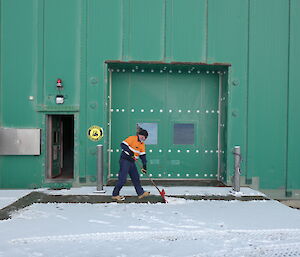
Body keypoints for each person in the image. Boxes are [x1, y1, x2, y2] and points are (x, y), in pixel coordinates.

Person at [112, 129, 150, 201]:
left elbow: (143, 156)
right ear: (139, 135)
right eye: (142, 136)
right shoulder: (132, 138)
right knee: (122, 179)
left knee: (136, 177)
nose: (143, 138)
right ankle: (115, 194)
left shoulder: (142, 145)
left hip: (132, 162)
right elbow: (123, 145)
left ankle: (140, 193)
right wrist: (130, 152)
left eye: (145, 137)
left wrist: (144, 166)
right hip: (125, 160)